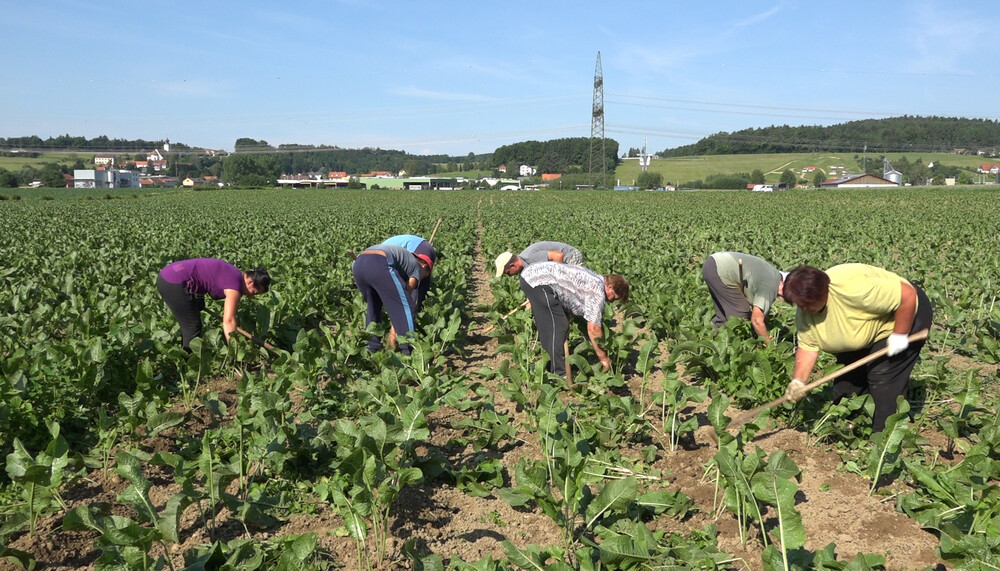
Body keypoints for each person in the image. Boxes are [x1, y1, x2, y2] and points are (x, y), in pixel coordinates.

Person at [782, 264, 933, 433]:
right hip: (860, 331)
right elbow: (808, 348)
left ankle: (886, 437)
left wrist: (899, 335)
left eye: (805, 305)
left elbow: (907, 295)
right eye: (798, 305)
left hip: (905, 316)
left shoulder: (853, 290)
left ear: (822, 293)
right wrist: (798, 381)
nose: (802, 309)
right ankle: (850, 427)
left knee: (883, 375)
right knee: (847, 385)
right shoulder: (805, 311)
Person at [519, 261, 629, 375]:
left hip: (533, 276)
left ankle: (556, 363)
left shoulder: (596, 278)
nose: (611, 301)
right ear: (610, 287)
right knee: (558, 327)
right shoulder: (598, 292)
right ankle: (559, 373)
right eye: (614, 297)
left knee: (555, 324)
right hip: (538, 281)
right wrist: (603, 357)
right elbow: (593, 329)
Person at [157, 258, 271, 351]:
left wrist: (199, 297)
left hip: (170, 274)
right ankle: (188, 365)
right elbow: (229, 321)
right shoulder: (234, 286)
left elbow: (203, 274)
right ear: (250, 282)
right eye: (254, 292)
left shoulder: (234, 273)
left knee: (191, 321)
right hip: (173, 281)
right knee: (192, 325)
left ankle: (187, 355)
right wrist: (233, 350)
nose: (252, 296)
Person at [352, 243, 432, 355]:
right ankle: (408, 351)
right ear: (424, 266)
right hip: (379, 262)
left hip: (358, 264)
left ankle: (371, 347)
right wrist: (394, 330)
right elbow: (405, 296)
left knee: (373, 305)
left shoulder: (403, 259)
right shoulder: (416, 267)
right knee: (407, 306)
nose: (421, 277)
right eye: (425, 275)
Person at [702, 251, 786, 345]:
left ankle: (710, 340)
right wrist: (768, 344)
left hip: (714, 263)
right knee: (739, 316)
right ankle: (730, 346)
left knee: (724, 316)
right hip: (720, 270)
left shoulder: (773, 275)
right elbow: (757, 320)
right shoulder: (771, 285)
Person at [382, 234, 437, 310]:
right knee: (422, 278)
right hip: (425, 247)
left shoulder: (381, 256)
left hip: (418, 248)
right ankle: (419, 307)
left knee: (414, 278)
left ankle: (412, 309)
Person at [495, 241, 583, 277]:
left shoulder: (530, 257)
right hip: (559, 260)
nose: (509, 275)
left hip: (570, 256)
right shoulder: (524, 267)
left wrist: (557, 278)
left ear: (512, 265)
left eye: (508, 272)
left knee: (569, 286)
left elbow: (558, 256)